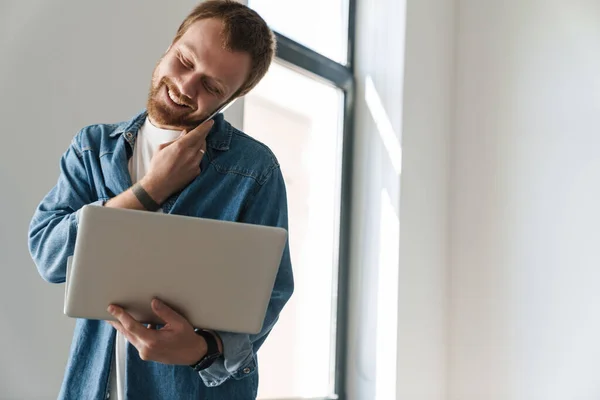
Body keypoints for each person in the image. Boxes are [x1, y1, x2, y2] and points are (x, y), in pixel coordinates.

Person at [27, 1, 294, 399]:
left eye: (212, 86)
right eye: (185, 62)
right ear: (171, 46)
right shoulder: (92, 148)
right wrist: (148, 191)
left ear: (231, 98)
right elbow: (48, 255)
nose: (187, 87)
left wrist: (205, 350)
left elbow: (271, 292)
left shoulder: (255, 170)